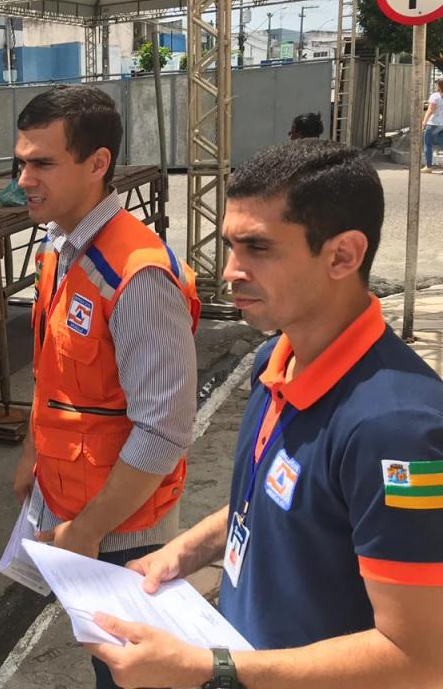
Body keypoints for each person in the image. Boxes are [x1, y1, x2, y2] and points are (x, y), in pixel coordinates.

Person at [85, 141, 443, 689]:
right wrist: (183, 551)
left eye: (257, 248)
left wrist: (211, 669)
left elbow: (419, 660)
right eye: (231, 245)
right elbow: (276, 504)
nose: (231, 271)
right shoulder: (275, 359)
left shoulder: (398, 431)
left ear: (343, 256)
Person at [11, 85, 200, 689]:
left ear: (97, 164)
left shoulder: (137, 276)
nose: (24, 180)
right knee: (106, 662)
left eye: (42, 163)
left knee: (129, 674)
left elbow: (164, 430)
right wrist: (33, 453)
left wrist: (88, 531)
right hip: (74, 504)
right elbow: (52, 368)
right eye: (21, 162)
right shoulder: (59, 250)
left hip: (122, 531)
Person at [421, 78, 443, 173]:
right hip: (442, 124)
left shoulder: (435, 96)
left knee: (427, 144)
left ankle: (428, 166)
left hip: (433, 123)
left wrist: (424, 122)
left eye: (436, 84)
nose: (435, 86)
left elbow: (430, 110)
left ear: (439, 85)